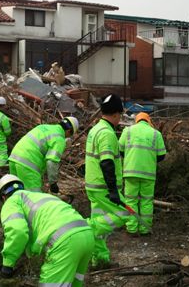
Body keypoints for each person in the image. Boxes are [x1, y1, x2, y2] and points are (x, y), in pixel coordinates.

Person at [0, 174, 94, 286]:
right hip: (86, 234)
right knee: (74, 283)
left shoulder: (11, 202)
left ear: (3, 197)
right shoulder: (41, 196)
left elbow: (18, 231)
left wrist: (7, 264)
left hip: (64, 242)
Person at [85, 93, 130, 267]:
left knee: (100, 222)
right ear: (116, 114)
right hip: (103, 187)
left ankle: (100, 260)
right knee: (123, 214)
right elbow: (106, 163)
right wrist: (113, 190)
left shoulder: (95, 129)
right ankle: (86, 228)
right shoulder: (107, 134)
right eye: (120, 115)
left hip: (94, 185)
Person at [119, 112, 166, 235]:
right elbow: (161, 156)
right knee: (146, 201)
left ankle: (132, 229)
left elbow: (120, 151)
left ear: (137, 120)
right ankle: (145, 229)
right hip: (148, 174)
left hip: (130, 173)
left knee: (130, 200)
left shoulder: (127, 131)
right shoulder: (156, 134)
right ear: (148, 121)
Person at [8, 116, 79, 193]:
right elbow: (52, 161)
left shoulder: (44, 127)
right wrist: (53, 183)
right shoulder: (59, 139)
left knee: (16, 193)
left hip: (14, 157)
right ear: (69, 131)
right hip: (28, 164)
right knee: (35, 198)